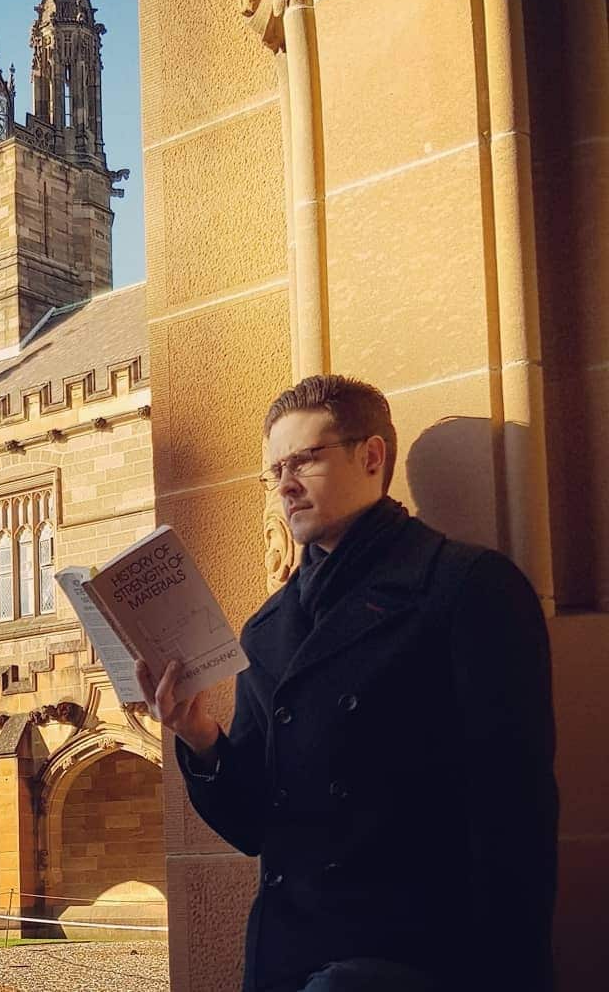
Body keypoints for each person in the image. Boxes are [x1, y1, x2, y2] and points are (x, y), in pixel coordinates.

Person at [138, 374, 558, 992]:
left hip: (414, 960)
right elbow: (254, 825)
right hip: (285, 961)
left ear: (370, 457)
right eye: (273, 470)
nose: (284, 484)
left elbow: (514, 817)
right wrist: (198, 734)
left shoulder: (468, 588)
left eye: (304, 459)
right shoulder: (266, 629)